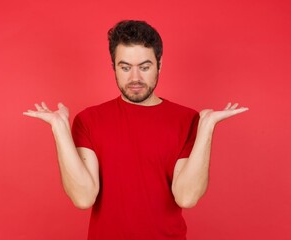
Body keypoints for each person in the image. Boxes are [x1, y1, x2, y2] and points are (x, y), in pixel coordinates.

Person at [23, 20, 248, 240]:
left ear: (159, 64)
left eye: (144, 67)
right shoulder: (89, 120)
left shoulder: (188, 120)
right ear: (113, 67)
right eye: (125, 67)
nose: (135, 78)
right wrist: (59, 129)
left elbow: (186, 197)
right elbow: (83, 198)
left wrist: (207, 127)